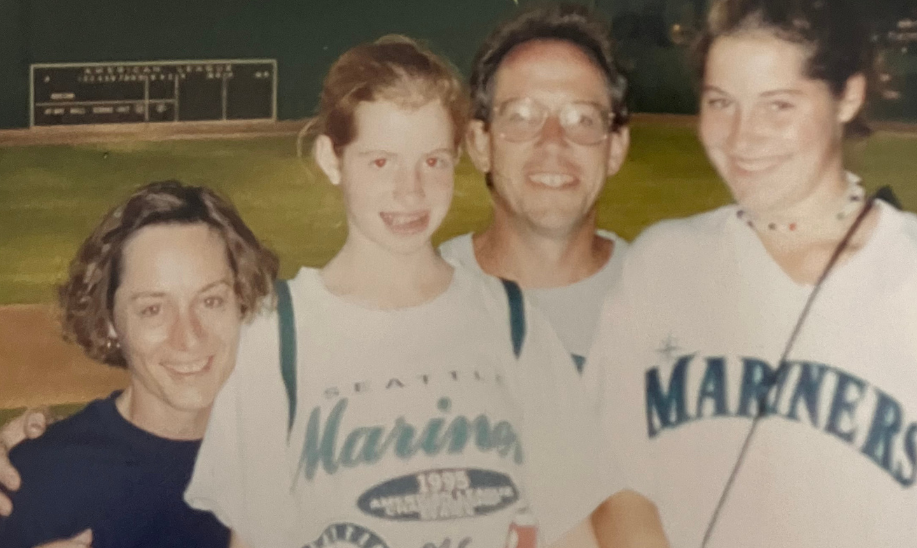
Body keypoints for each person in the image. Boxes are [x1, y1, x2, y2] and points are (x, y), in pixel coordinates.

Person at [585, 0, 917, 548]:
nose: (742, 138)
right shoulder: (664, 263)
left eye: (779, 106)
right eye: (722, 102)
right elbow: (608, 473)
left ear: (849, 95)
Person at [183, 36, 642, 548]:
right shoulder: (275, 335)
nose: (411, 191)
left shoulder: (513, 320)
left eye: (433, 162)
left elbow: (569, 533)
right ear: (333, 160)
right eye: (381, 162)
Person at [0, 181, 278, 548]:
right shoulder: (35, 480)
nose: (189, 337)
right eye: (152, 309)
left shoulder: (302, 459)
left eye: (211, 301)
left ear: (242, 303)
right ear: (109, 322)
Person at [440, 4, 631, 370]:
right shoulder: (419, 301)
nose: (553, 141)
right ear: (481, 145)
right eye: (522, 117)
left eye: (582, 118)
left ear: (616, 148)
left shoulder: (667, 305)